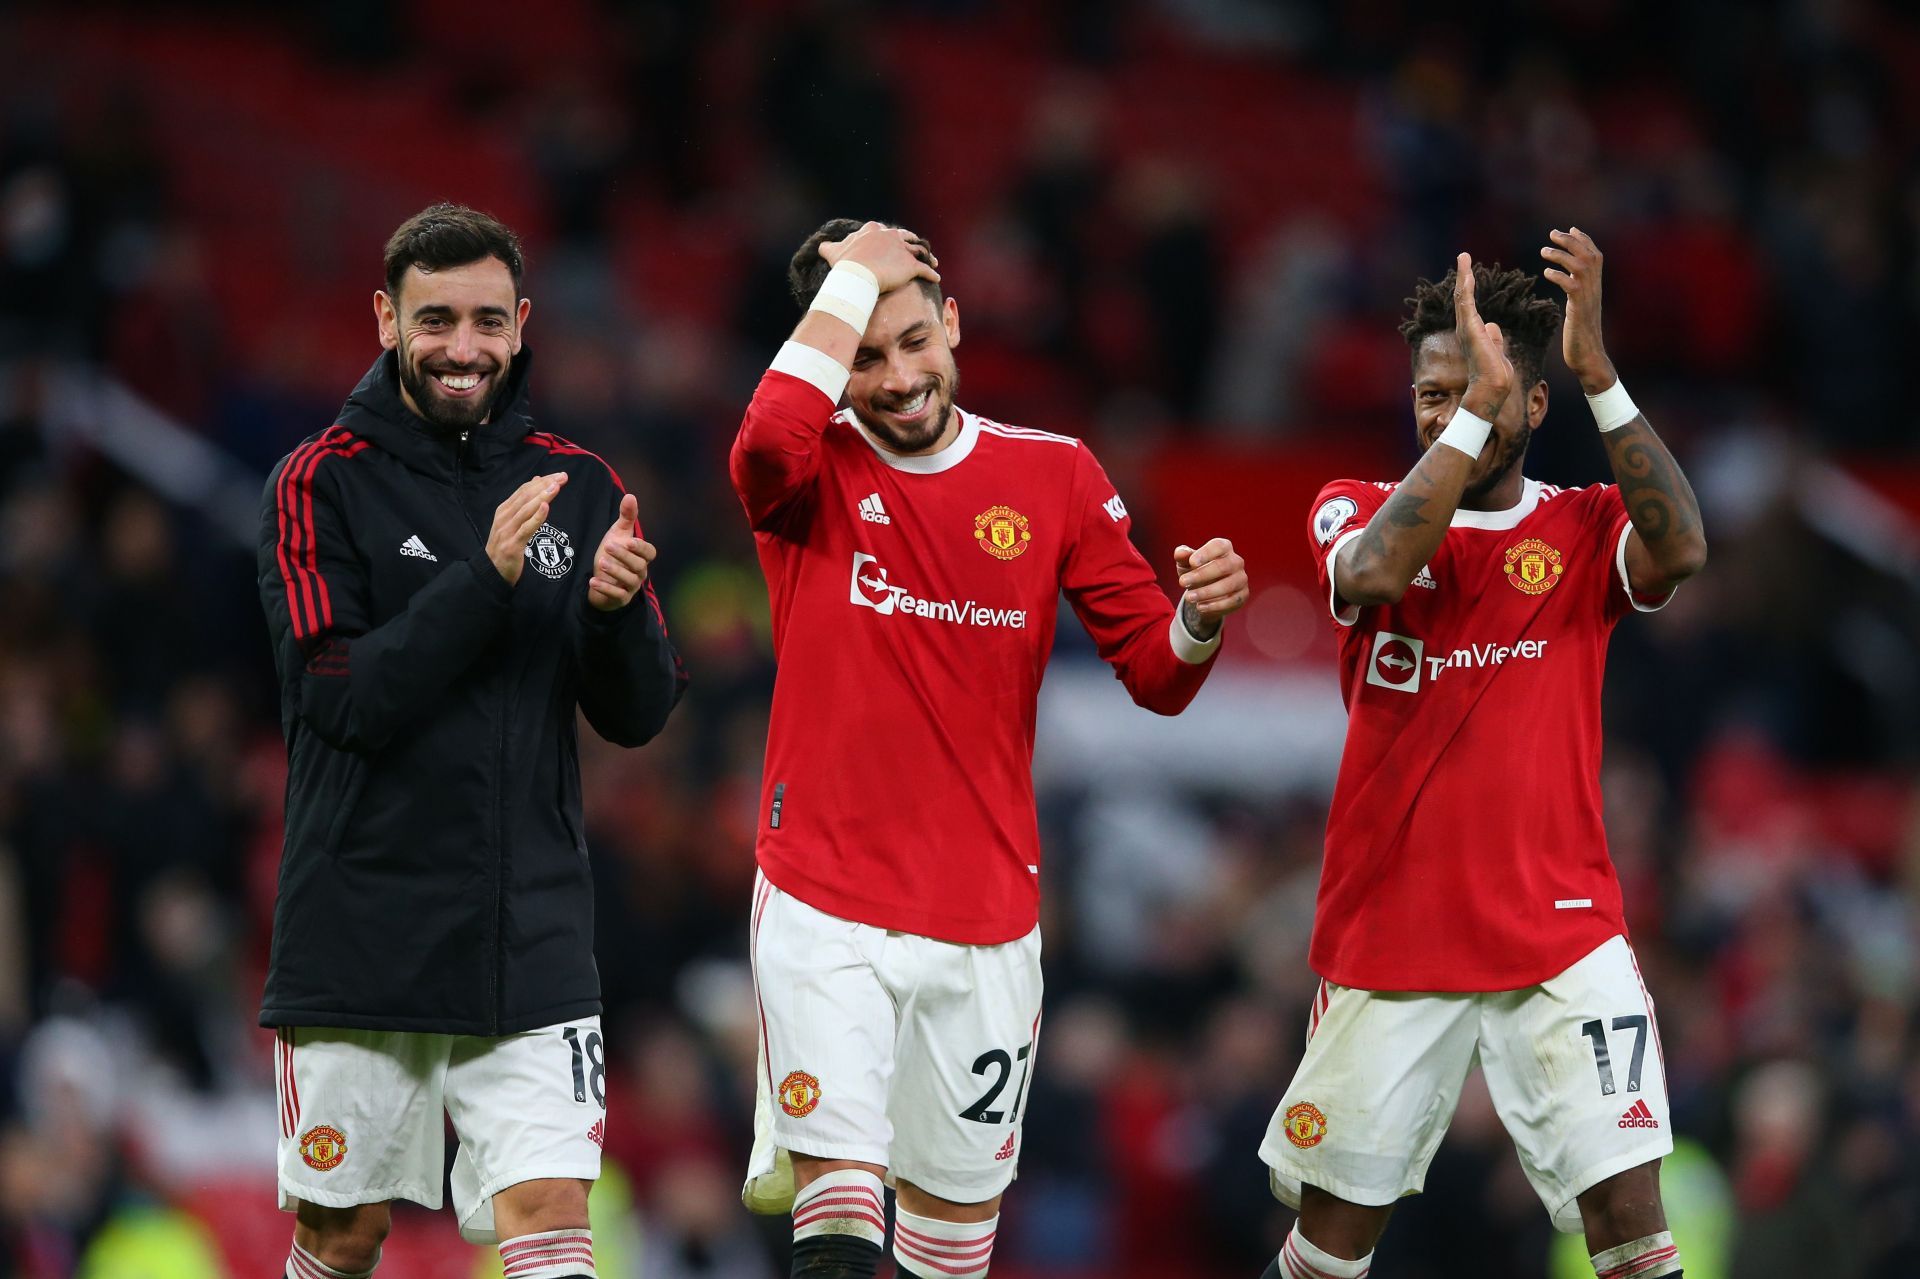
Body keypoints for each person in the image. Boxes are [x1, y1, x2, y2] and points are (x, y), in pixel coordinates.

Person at [729, 219, 1249, 1279]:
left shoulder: (1050, 474)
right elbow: (760, 445)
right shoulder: (807, 474)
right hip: (824, 897)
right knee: (836, 1234)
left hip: (986, 921)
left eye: (915, 338)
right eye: (866, 355)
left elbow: (1157, 672)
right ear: (828, 357)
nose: (902, 376)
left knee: (950, 1253)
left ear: (953, 321)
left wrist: (1199, 617)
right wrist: (854, 282)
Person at [1256, 230, 1708, 1279]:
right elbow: (1371, 575)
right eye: (1430, 391)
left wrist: (1597, 372)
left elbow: (1681, 547)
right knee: (1332, 1244)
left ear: (1537, 407)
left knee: (1635, 1223)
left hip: (1562, 932)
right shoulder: (1352, 506)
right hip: (1392, 933)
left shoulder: (1588, 528)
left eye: (1480, 388)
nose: (1442, 408)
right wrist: (1472, 412)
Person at [256, 203, 686, 1279]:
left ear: (522, 321)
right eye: (435, 318)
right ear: (385, 318)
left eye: (487, 320)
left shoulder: (576, 482)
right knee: (341, 1236)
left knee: (549, 1213)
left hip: (527, 934)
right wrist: (484, 582)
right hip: (362, 930)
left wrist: (614, 612)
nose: (462, 347)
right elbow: (338, 697)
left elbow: (636, 715)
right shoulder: (320, 480)